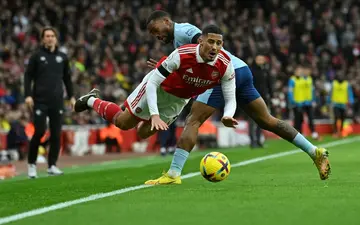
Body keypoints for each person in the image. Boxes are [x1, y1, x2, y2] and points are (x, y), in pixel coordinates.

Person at [144, 10, 330, 185]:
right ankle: (314, 151)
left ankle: (173, 174)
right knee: (267, 120)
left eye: (155, 30)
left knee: (193, 120)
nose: (156, 36)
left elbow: (207, 54)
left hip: (222, 73)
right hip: (240, 69)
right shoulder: (179, 40)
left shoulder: (185, 31)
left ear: (166, 22)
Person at [74, 25, 238, 149]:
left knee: (143, 133)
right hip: (158, 88)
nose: (215, 47)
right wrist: (154, 114)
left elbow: (231, 97)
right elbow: (153, 82)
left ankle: (131, 109)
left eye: (218, 43)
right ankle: (91, 100)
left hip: (179, 101)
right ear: (201, 41)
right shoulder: (182, 54)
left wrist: (228, 115)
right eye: (211, 42)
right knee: (123, 123)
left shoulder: (225, 65)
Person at [24, 26, 75, 178]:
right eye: (47, 36)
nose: (50, 38)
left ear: (56, 38)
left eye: (52, 35)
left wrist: (71, 96)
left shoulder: (62, 57)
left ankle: (52, 165)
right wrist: (28, 95)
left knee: (56, 134)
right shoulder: (36, 56)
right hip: (40, 100)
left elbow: (67, 79)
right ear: (42, 38)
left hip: (57, 101)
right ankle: (32, 164)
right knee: (39, 131)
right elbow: (28, 76)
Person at [288, 65, 319, 139]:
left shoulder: (307, 79)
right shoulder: (292, 80)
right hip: (297, 102)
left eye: (301, 71)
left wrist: (313, 99)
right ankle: (297, 134)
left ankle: (313, 132)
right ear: (295, 72)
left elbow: (311, 90)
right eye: (298, 71)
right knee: (298, 119)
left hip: (307, 102)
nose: (300, 72)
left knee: (310, 117)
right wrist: (292, 100)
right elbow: (290, 91)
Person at [249, 54, 273, 148]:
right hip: (252, 98)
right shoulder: (251, 71)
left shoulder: (265, 71)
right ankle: (253, 141)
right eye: (258, 59)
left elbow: (269, 85)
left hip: (263, 99)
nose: (260, 61)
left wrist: (271, 96)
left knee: (261, 120)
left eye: (262, 59)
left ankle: (259, 140)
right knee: (252, 120)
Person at [329, 73, 354, 137]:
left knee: (343, 118)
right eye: (339, 76)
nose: (340, 77)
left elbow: (350, 93)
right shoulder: (334, 83)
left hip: (343, 104)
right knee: (336, 117)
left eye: (341, 76)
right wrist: (329, 101)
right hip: (335, 104)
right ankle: (335, 132)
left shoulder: (346, 84)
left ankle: (341, 131)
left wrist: (351, 101)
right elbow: (330, 93)